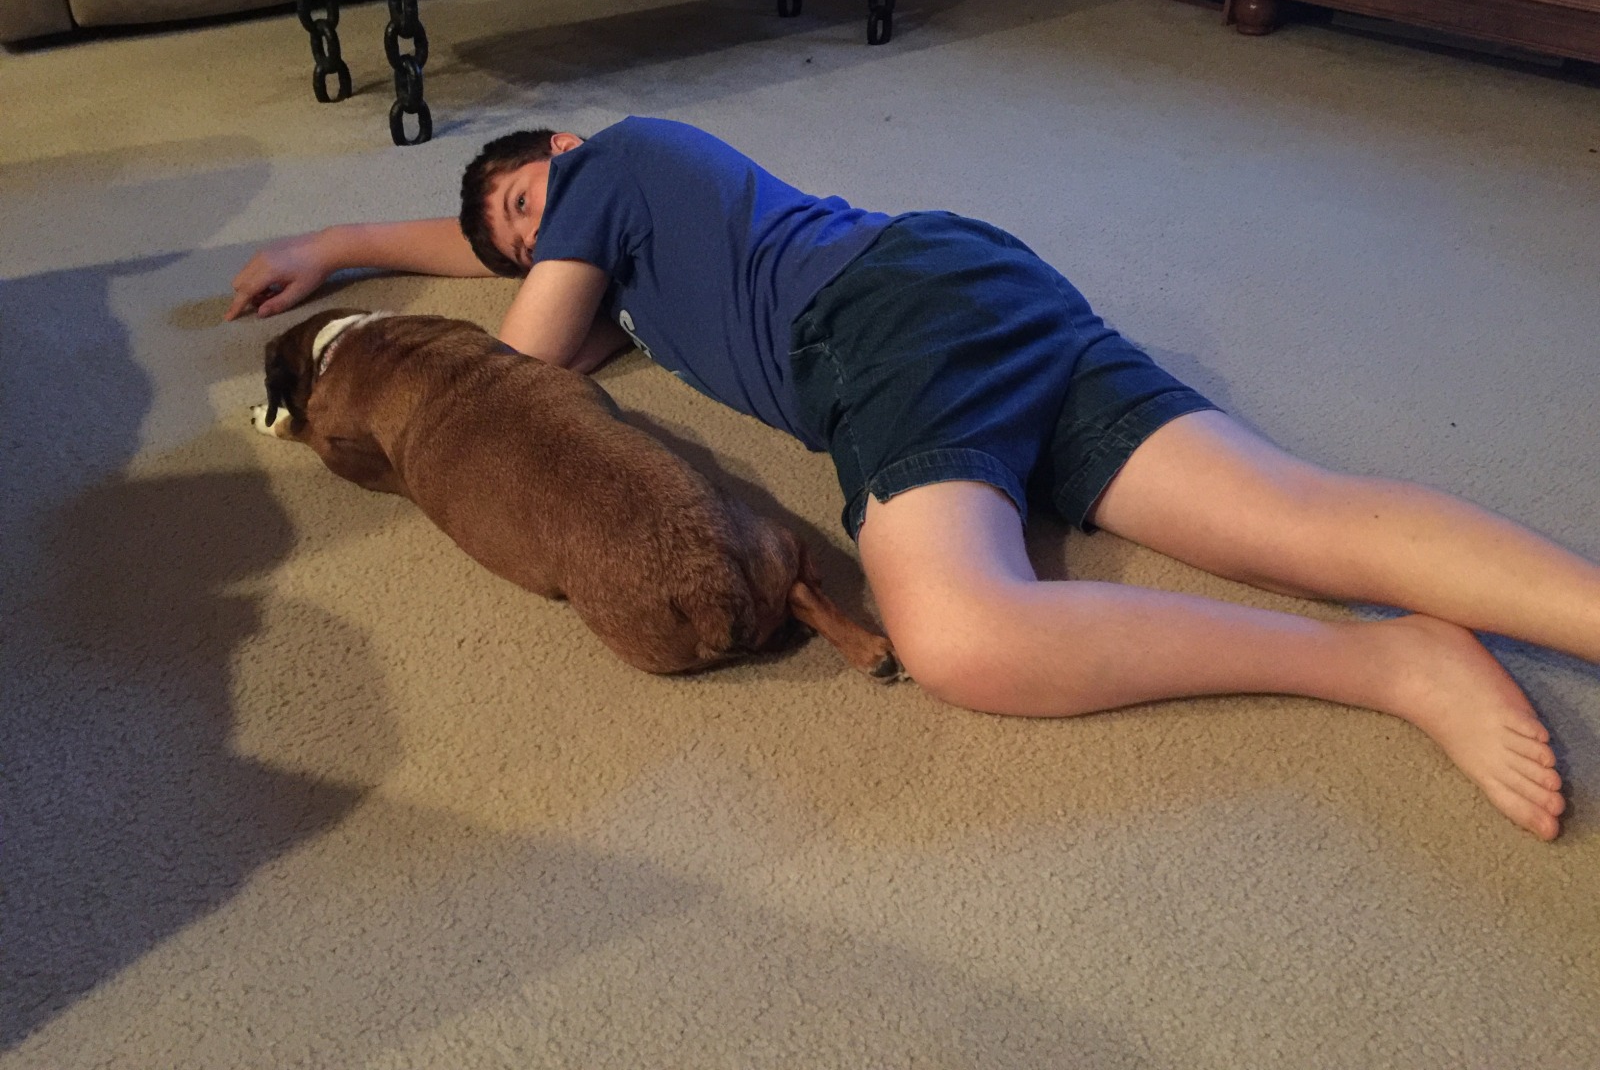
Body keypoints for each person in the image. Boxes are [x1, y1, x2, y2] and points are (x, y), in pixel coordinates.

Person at [227, 116, 1596, 841]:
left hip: (874, 326)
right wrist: (334, 244)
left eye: (531, 207)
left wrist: (373, 264)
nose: (534, 246)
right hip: (979, 289)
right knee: (1293, 512)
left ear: (564, 158)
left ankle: (1385, 664)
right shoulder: (633, 257)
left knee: (959, 633)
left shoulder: (620, 157)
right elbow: (514, 269)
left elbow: (516, 371)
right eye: (518, 247)